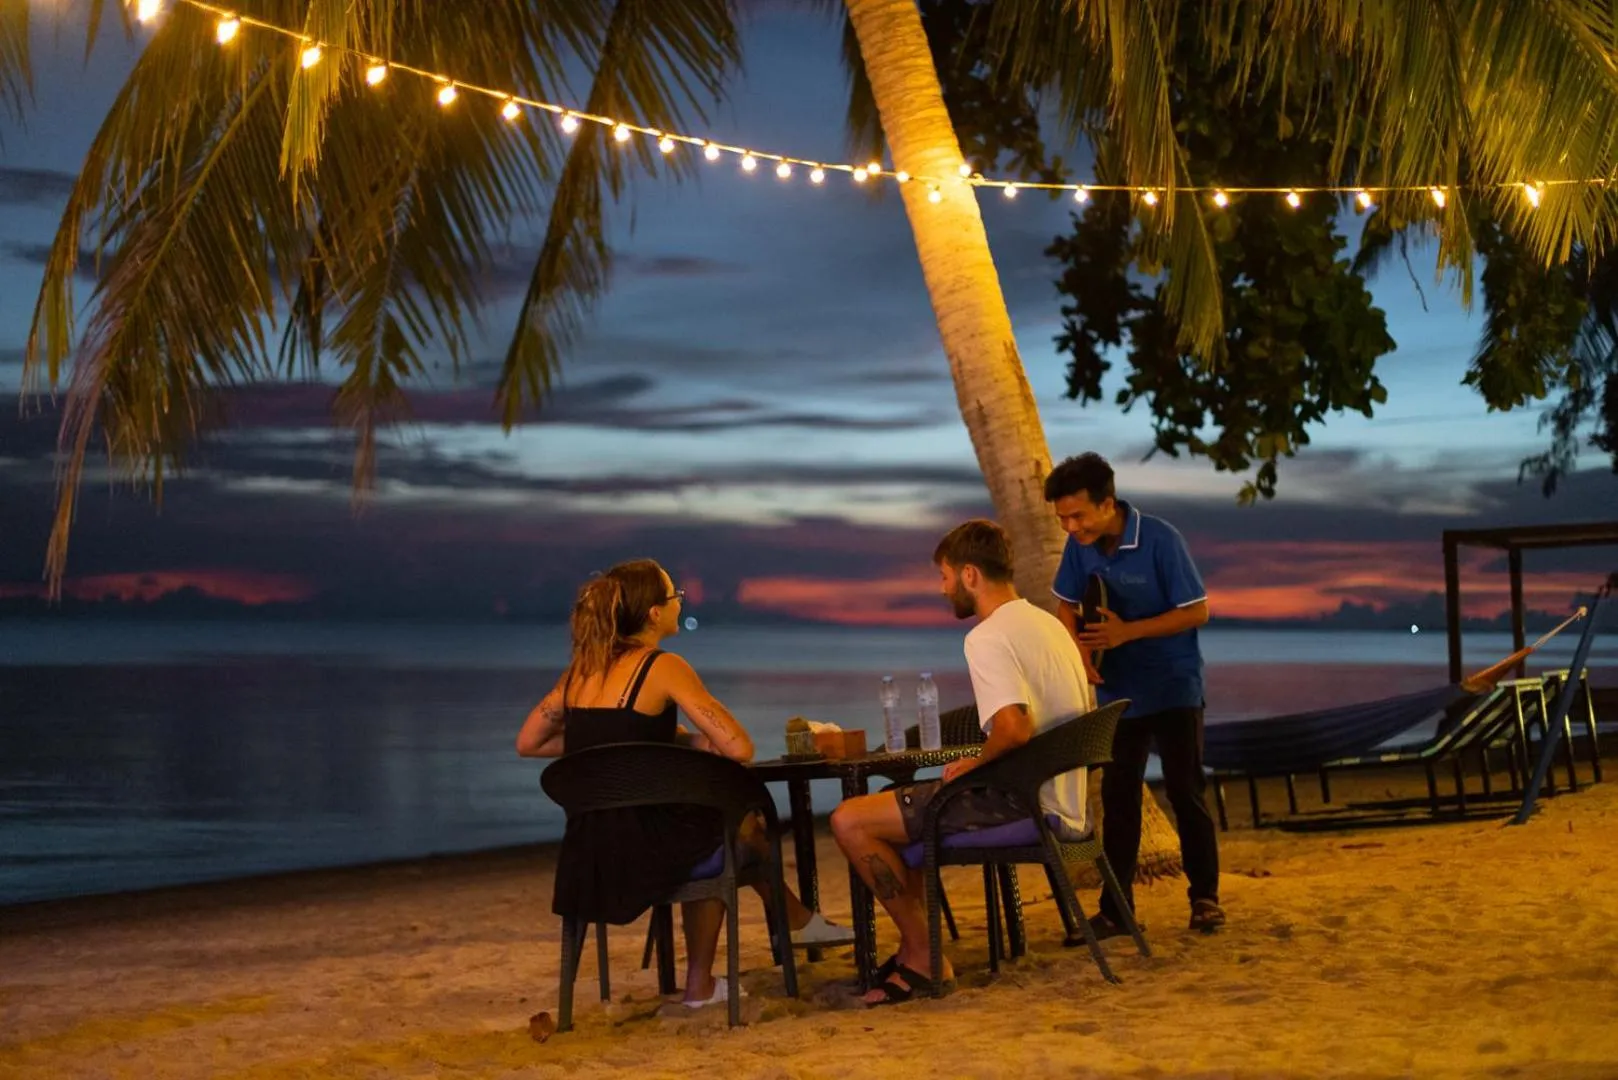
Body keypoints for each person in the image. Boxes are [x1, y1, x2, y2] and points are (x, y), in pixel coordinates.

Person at [516, 558, 851, 1010]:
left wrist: (647, 740)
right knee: (735, 828)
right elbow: (738, 748)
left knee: (722, 828)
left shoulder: (579, 672)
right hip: (651, 851)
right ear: (655, 613)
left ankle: (793, 921)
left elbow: (529, 743)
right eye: (676, 596)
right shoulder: (663, 666)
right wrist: (683, 737)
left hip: (589, 857)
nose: (679, 602)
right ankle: (723, 969)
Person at [829, 520, 1095, 1006]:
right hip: (1067, 801)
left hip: (1023, 803)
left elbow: (1014, 727)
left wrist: (975, 762)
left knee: (850, 821)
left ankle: (925, 958)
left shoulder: (988, 636)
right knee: (898, 818)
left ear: (970, 575)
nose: (942, 587)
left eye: (945, 575)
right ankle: (915, 952)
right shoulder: (1048, 625)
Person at [1044, 452, 1226, 934]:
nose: (1070, 527)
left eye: (1078, 515)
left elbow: (1198, 611)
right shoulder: (1079, 546)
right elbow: (1065, 604)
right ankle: (1117, 909)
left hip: (1174, 686)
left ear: (1108, 504)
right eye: (1062, 518)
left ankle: (1205, 898)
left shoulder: (1162, 539)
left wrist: (1128, 633)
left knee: (1187, 792)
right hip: (1117, 692)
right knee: (1119, 798)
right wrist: (1078, 656)